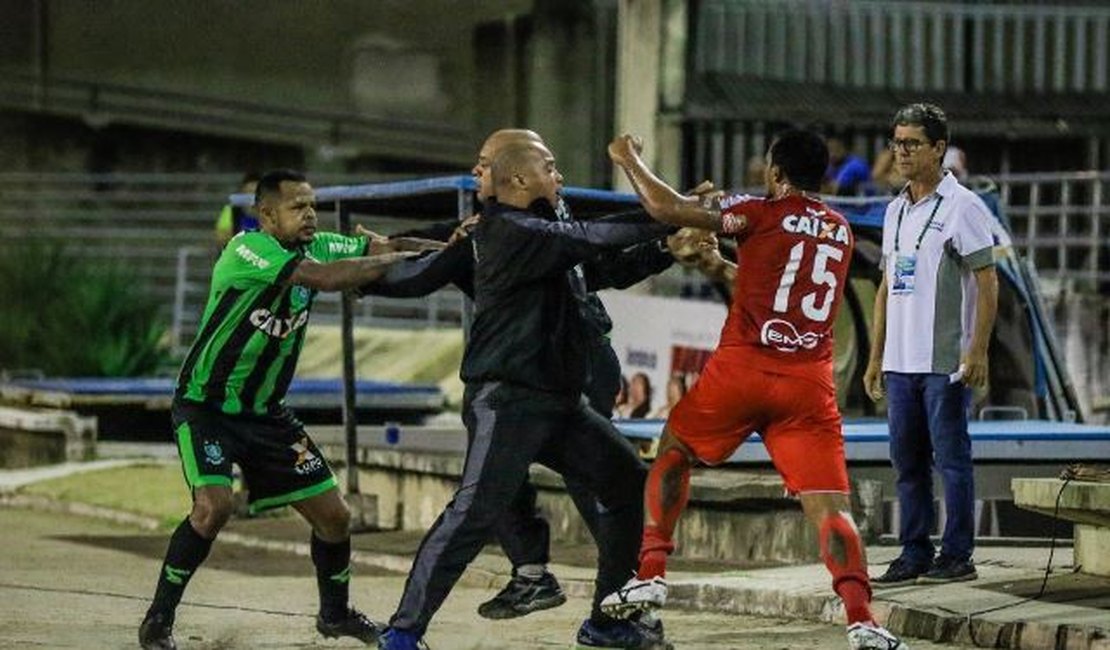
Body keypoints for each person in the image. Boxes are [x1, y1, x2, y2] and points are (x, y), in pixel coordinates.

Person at [358, 128, 687, 627]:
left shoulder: (546, 224)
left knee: (622, 483)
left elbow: (598, 263)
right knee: (475, 513)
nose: (560, 175)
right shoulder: (508, 229)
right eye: (550, 167)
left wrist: (669, 241)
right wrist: (673, 212)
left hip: (562, 396)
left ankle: (608, 619)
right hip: (509, 399)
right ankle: (404, 634)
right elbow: (422, 273)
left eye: (482, 162)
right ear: (517, 177)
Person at [602, 129, 909, 650]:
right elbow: (777, 280)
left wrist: (627, 157)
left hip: (744, 370)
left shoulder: (759, 210)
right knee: (832, 508)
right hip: (809, 384)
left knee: (674, 446)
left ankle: (652, 571)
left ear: (775, 174)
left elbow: (667, 207)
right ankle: (862, 620)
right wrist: (719, 265)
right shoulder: (839, 230)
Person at [138, 169, 428, 650]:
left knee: (335, 517)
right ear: (267, 215)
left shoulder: (321, 245)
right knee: (214, 508)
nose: (311, 214)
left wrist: (449, 246)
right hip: (207, 407)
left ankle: (334, 616)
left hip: (267, 414)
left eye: (313, 205)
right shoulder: (246, 249)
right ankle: (158, 620)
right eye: (298, 207)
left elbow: (382, 247)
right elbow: (325, 279)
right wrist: (392, 258)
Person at [863, 103, 998, 588]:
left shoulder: (964, 207)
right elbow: (884, 287)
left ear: (939, 148)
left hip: (943, 362)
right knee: (907, 463)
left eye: (912, 143)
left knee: (952, 460)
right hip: (900, 362)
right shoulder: (895, 209)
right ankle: (914, 552)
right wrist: (876, 356)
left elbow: (987, 280)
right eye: (896, 142)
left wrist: (977, 350)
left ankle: (958, 554)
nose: (901, 151)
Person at [214, 172, 261, 248]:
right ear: (242, 193)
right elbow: (221, 238)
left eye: (255, 193)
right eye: (248, 192)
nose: (251, 198)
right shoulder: (231, 210)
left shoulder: (268, 212)